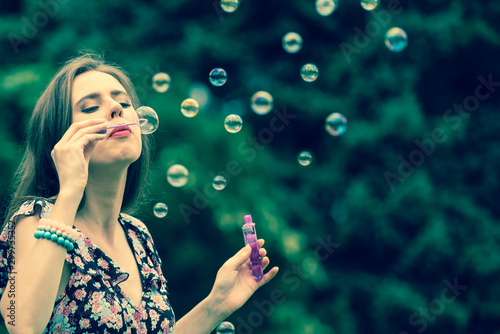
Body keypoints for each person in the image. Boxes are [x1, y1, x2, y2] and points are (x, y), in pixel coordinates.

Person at [0, 52, 279, 334]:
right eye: (89, 108)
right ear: (60, 138)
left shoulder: (137, 235)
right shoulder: (37, 219)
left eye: (123, 102)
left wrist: (215, 305)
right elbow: (21, 323)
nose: (116, 109)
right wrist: (70, 188)